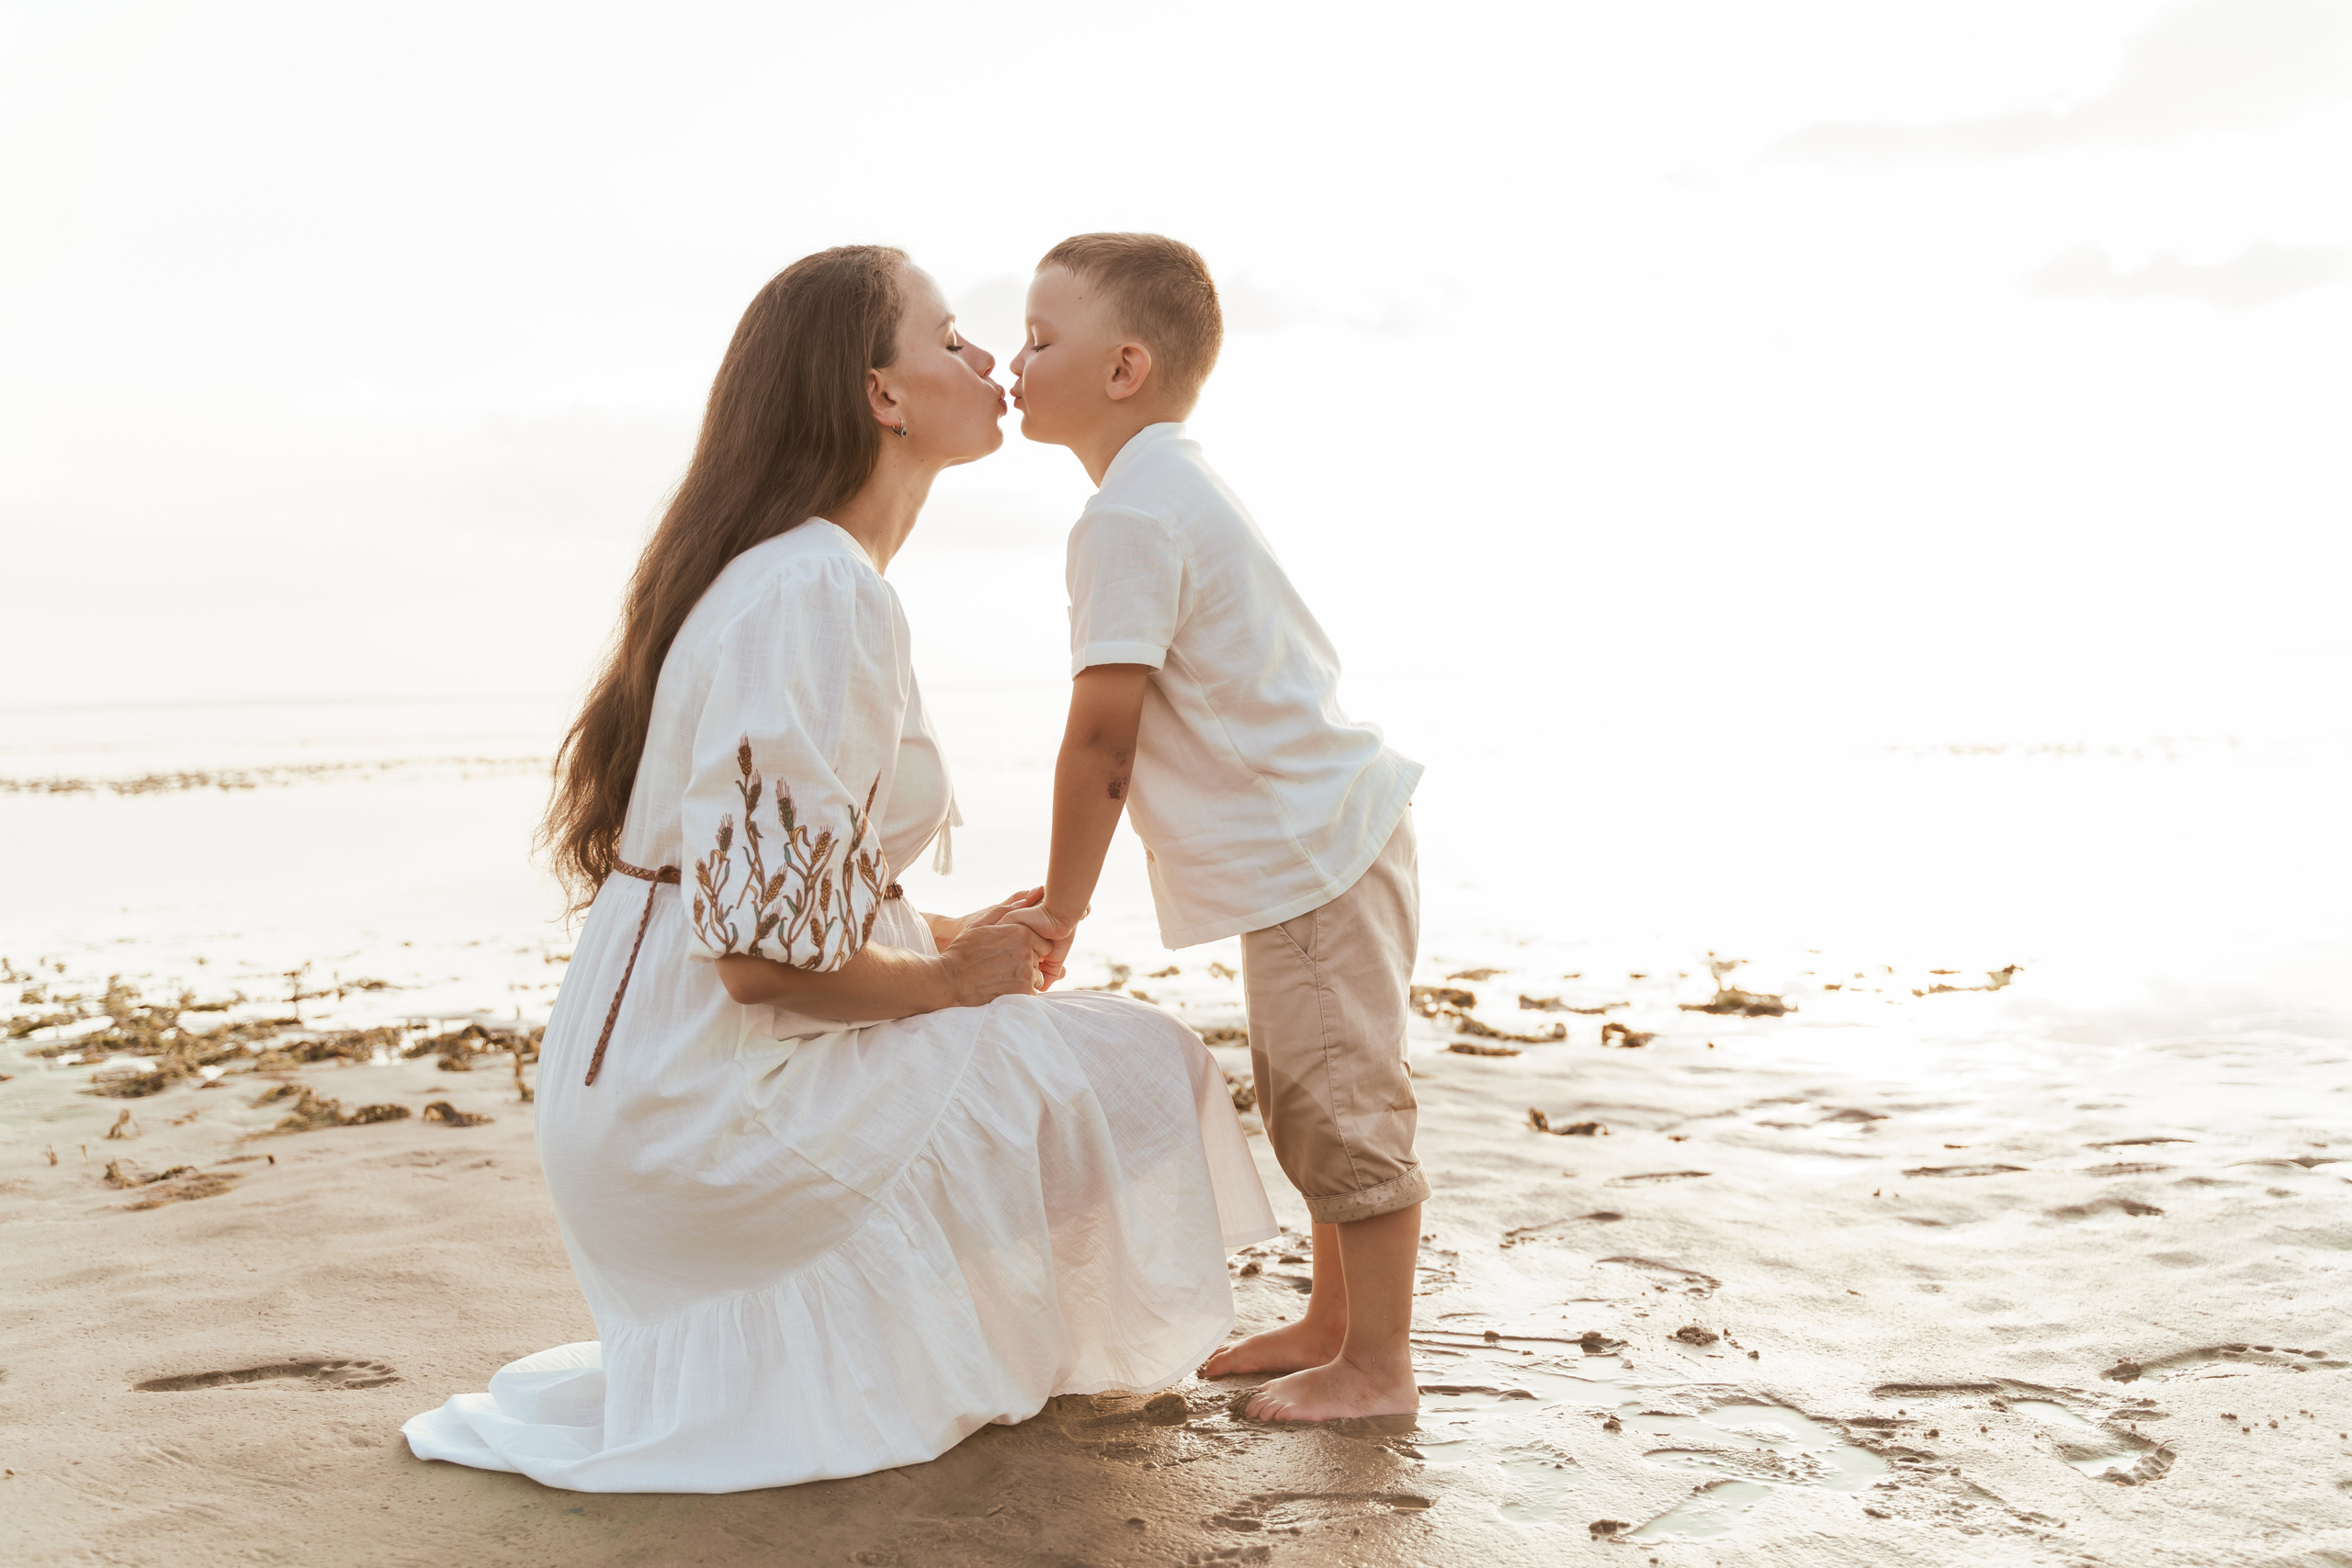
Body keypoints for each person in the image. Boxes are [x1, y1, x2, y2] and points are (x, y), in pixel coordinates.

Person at [401, 245, 1274, 1494]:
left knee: (1089, 1061)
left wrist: (930, 929)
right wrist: (953, 979)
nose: (990, 361)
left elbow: (784, 900)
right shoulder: (813, 587)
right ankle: (928, 1343)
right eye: (954, 337)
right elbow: (760, 965)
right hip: (700, 1113)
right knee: (1149, 1071)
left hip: (659, 1082)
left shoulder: (808, 578)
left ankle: (918, 1338)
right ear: (883, 395)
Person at [1002, 234, 1426, 1423]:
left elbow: (1102, 739)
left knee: (1341, 1101)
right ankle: (1334, 1322)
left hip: (1311, 850)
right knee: (1307, 1087)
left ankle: (1378, 1368)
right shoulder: (1169, 484)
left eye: (1040, 340)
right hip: (1317, 843)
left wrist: (1062, 906)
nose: (1013, 360)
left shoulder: (1131, 516)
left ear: (1126, 368)